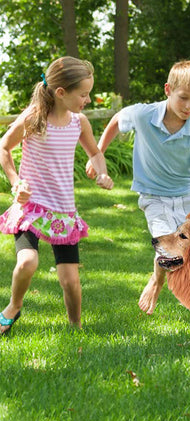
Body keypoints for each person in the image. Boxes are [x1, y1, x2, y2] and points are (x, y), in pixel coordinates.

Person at [86, 60, 190, 315]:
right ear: (168, 90)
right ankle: (157, 281)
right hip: (154, 196)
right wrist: (98, 154)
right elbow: (117, 120)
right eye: (184, 98)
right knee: (168, 246)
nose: (189, 106)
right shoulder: (143, 114)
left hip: (187, 194)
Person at [0, 56, 114, 335]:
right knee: (27, 262)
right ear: (61, 93)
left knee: (71, 281)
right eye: (84, 94)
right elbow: (3, 148)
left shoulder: (79, 122)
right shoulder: (33, 119)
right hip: (32, 207)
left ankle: (75, 328)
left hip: (64, 212)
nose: (87, 99)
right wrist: (16, 183)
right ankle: (13, 308)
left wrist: (101, 172)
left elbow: (95, 153)